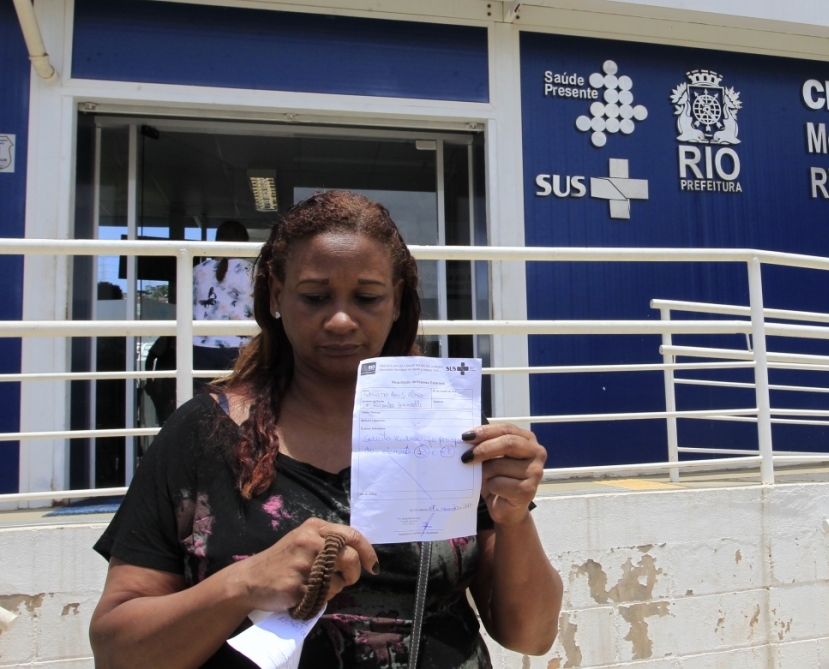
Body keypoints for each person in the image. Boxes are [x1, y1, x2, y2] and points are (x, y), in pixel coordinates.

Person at [89, 191, 562, 669]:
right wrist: (243, 585)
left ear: (397, 300)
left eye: (367, 297)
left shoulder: (448, 431)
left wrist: (515, 517)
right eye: (314, 297)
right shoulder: (203, 433)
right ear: (276, 296)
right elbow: (116, 652)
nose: (340, 319)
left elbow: (532, 635)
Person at [193, 220, 254, 384]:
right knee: (238, 404)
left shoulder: (198, 271)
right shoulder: (253, 271)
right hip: (241, 349)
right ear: (244, 244)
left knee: (203, 405)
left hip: (200, 348)